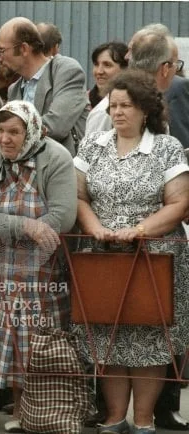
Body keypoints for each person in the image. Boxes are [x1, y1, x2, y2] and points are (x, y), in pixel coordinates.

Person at [73, 69, 189, 434]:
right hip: (102, 252)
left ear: (145, 109)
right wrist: (95, 228)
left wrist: (137, 231)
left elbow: (179, 203)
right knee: (108, 334)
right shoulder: (92, 145)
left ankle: (143, 419)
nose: (118, 112)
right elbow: (78, 196)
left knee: (150, 336)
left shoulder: (167, 147)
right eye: (113, 106)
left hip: (155, 255)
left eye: (126, 105)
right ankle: (114, 417)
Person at [0, 100, 77, 433]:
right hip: (0, 265)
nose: (5, 139)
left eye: (14, 132)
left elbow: (63, 216)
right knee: (8, 334)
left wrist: (28, 230)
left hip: (44, 266)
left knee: (41, 335)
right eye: (0, 131)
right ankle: (17, 408)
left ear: (31, 131)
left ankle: (43, 412)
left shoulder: (56, 157)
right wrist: (26, 226)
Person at [0, 17, 89, 156]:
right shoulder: (14, 89)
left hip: (61, 165)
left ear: (23, 49)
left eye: (1, 50)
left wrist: (14, 133)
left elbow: (57, 125)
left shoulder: (66, 71)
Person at [88, 41, 128, 109]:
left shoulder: (135, 102)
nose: (99, 71)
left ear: (124, 69)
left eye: (107, 65)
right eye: (96, 64)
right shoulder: (83, 102)